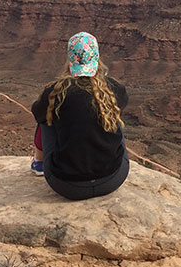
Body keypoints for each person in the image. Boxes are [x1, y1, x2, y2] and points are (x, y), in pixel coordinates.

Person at [30, 32, 129, 200]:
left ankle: (39, 164)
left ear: (70, 60)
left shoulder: (55, 92)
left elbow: (36, 112)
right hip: (112, 179)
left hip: (66, 185)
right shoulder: (113, 88)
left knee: (46, 117)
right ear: (97, 58)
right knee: (112, 113)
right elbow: (124, 101)